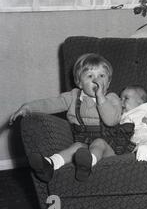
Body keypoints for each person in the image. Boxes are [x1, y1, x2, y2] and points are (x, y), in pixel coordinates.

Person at [9, 53, 134, 182]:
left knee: (99, 143)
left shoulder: (112, 98)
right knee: (76, 148)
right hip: (84, 144)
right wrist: (27, 107)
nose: (96, 80)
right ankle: (49, 164)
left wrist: (101, 98)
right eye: (90, 76)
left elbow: (111, 120)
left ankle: (87, 165)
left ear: (108, 83)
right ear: (79, 83)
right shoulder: (73, 96)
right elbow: (51, 103)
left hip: (108, 148)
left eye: (101, 76)